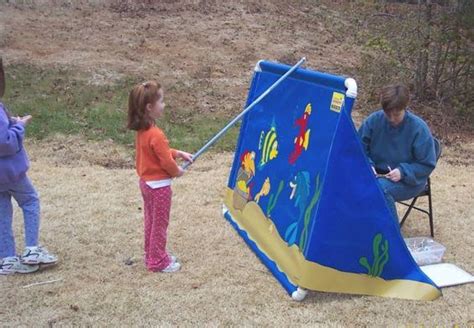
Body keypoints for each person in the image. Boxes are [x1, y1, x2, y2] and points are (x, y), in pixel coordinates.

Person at [127, 80, 193, 273]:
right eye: (161, 101)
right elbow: (165, 161)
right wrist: (177, 171)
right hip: (159, 187)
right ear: (149, 107)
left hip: (146, 184)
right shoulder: (155, 133)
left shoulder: (144, 131)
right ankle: (157, 261)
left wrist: (179, 153)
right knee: (160, 224)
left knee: (151, 220)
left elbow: (160, 152)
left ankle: (152, 253)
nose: (164, 105)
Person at [0, 59, 58, 275]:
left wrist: (11, 123)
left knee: (2, 212)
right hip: (11, 173)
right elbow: (5, 142)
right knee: (30, 201)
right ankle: (32, 249)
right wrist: (19, 127)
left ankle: (6, 258)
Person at [358, 84, 437, 223]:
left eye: (396, 114)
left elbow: (426, 164)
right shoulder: (373, 121)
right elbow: (358, 149)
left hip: (409, 180)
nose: (392, 119)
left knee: (381, 189)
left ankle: (391, 238)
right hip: (375, 174)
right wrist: (367, 165)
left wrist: (403, 171)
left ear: (404, 108)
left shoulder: (418, 128)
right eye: (388, 114)